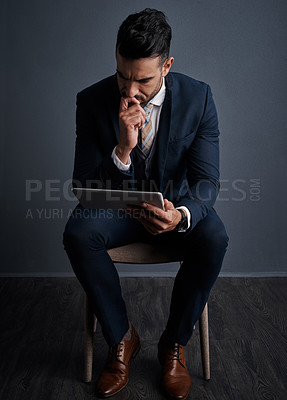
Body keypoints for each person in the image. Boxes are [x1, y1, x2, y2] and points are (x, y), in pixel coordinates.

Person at [63, 8, 228, 400]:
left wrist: (180, 216)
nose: (131, 90)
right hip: (117, 213)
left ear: (167, 66)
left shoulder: (198, 97)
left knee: (215, 237)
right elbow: (83, 188)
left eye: (143, 80)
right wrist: (122, 148)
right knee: (77, 232)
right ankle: (121, 338)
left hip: (173, 211)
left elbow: (206, 182)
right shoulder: (91, 101)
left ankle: (173, 344)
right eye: (123, 76)